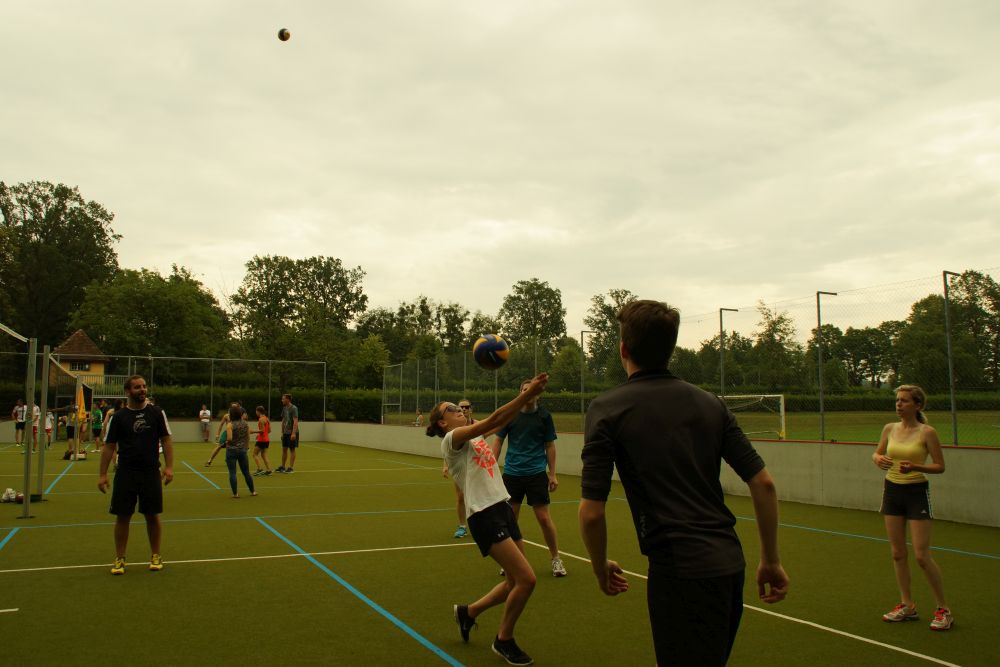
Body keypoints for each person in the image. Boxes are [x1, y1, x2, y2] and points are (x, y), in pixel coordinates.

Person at [579, 300, 789, 666]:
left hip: (679, 572)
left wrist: (599, 567)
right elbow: (764, 484)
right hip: (729, 564)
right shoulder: (711, 404)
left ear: (624, 349)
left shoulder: (607, 409)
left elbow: (592, 512)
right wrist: (770, 560)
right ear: (671, 349)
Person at [429, 373, 549, 667]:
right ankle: (503, 640)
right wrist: (525, 395)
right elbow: (494, 418)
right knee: (527, 579)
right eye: (452, 409)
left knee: (513, 582)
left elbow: (500, 420)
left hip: (501, 507)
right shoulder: (452, 440)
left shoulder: (474, 435)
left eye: (460, 407)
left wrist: (528, 399)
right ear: (443, 423)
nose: (460, 409)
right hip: (483, 515)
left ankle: (468, 613)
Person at [872, 384, 953, 631]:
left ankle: (943, 609)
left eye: (904, 401)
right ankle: (907, 605)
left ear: (917, 405)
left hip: (916, 493)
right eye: (897, 400)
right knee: (898, 553)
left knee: (921, 556)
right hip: (892, 491)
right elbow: (877, 453)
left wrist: (916, 467)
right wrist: (878, 459)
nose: (899, 404)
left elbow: (940, 466)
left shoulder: (927, 432)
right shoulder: (889, 428)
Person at [97, 375, 173, 575]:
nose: (142, 390)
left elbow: (166, 440)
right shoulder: (119, 417)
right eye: (137, 387)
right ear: (128, 391)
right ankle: (120, 558)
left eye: (144, 386)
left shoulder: (156, 412)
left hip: (150, 471)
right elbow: (109, 446)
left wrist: (169, 467)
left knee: (152, 515)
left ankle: (155, 555)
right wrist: (102, 474)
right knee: (122, 516)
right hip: (125, 472)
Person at [493, 383, 567, 577]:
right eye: (525, 390)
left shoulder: (544, 416)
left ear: (538, 394)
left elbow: (550, 445)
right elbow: (498, 440)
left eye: (532, 389)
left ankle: (556, 559)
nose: (528, 392)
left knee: (544, 518)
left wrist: (552, 474)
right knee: (510, 519)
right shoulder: (511, 414)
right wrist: (491, 468)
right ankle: (511, 562)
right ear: (520, 393)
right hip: (512, 474)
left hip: (536, 474)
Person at [443, 400, 474, 538]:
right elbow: (448, 451)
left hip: (475, 466)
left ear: (471, 409)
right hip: (461, 467)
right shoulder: (453, 430)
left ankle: (481, 524)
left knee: (478, 496)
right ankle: (462, 526)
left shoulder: (477, 424)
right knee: (461, 497)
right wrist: (445, 465)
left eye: (467, 407)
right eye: (461, 407)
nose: (464, 409)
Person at [224, 406, 256, 498]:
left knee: (232, 472)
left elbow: (229, 438)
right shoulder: (245, 424)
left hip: (231, 451)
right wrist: (246, 447)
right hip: (242, 450)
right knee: (246, 472)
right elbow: (248, 436)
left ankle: (235, 493)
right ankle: (253, 491)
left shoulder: (230, 425)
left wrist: (225, 442)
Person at [276, 394, 299, 474]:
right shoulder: (284, 408)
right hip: (285, 432)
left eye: (283, 399)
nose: (282, 400)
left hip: (291, 432)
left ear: (288, 400)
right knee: (284, 449)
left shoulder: (294, 408)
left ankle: (291, 468)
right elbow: (283, 420)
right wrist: (282, 432)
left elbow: (295, 421)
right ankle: (282, 467)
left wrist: (293, 433)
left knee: (292, 449)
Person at [251, 406, 272, 476]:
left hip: (261, 440)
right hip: (266, 440)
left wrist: (253, 431)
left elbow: (262, 430)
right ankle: (269, 470)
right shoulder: (266, 418)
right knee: (264, 455)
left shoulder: (261, 419)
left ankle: (259, 469)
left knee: (254, 454)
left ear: (258, 411)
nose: (256, 413)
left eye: (256, 411)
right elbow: (269, 430)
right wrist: (259, 434)